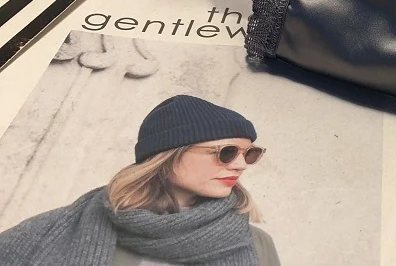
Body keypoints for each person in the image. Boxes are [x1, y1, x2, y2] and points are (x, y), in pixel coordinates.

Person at [0, 94, 280, 266]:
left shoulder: (257, 244)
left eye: (250, 153)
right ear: (168, 155)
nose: (241, 165)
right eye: (227, 152)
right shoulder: (48, 231)